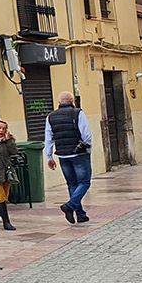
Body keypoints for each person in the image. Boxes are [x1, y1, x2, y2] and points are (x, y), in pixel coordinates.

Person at [44, 91, 94, 224]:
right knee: (84, 182)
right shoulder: (78, 113)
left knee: (72, 184)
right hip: (79, 154)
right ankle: (70, 206)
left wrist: (49, 156)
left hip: (62, 154)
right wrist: (87, 147)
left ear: (58, 102)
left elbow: (48, 138)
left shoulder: (51, 117)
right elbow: (86, 134)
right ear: (73, 101)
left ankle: (80, 214)